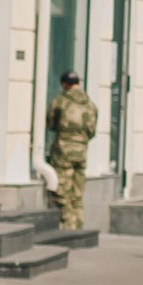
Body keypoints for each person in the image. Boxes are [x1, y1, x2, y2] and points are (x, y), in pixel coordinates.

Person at [44, 70, 99, 231]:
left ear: (64, 84)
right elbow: (92, 131)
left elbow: (51, 124)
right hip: (81, 151)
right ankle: (79, 228)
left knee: (62, 192)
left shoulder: (60, 101)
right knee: (78, 193)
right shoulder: (90, 104)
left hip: (63, 151)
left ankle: (69, 228)